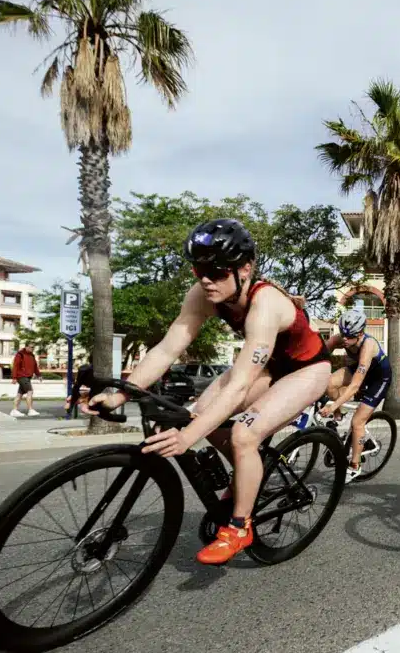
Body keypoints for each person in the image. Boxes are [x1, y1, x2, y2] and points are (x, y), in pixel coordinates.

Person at [80, 218, 331, 565]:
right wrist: (120, 394)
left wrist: (187, 436)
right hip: (271, 367)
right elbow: (167, 350)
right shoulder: (203, 294)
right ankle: (248, 478)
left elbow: (241, 382)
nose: (205, 280)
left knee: (242, 434)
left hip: (308, 370)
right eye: (199, 270)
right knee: (200, 415)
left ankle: (241, 527)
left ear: (245, 268)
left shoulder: (266, 303)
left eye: (216, 271)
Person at [319, 309, 392, 481]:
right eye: (342, 333)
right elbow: (319, 356)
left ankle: (355, 466)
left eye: (349, 336)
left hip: (378, 378)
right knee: (328, 383)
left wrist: (332, 405)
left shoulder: (368, 346)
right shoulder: (340, 338)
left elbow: (354, 387)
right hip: (356, 369)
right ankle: (338, 418)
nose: (344, 339)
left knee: (358, 421)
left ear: (360, 334)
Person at [10, 344, 42, 417]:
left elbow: (35, 366)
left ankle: (14, 410)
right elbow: (15, 366)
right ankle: (30, 410)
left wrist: (39, 375)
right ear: (26, 347)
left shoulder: (32, 355)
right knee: (30, 391)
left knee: (19, 394)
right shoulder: (20, 354)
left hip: (27, 377)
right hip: (22, 376)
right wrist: (14, 377)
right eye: (31, 347)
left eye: (33, 347)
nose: (32, 348)